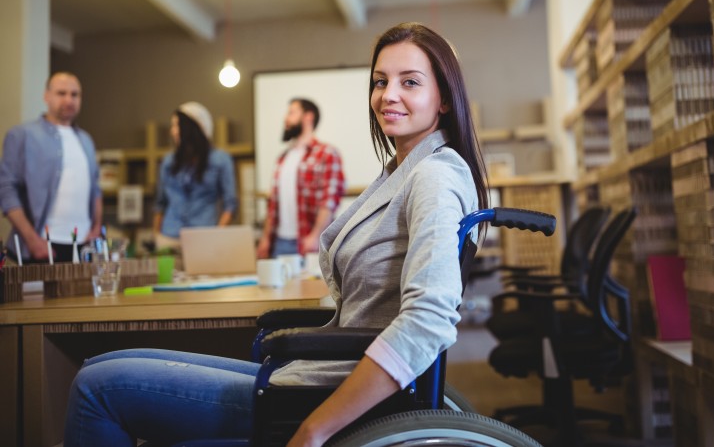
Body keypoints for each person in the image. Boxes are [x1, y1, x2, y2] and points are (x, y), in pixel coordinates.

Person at [63, 22, 489, 447]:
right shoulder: (402, 170)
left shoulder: (434, 175)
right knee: (104, 362)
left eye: (409, 82)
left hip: (334, 396)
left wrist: (315, 429)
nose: (387, 94)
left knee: (95, 386)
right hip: (322, 374)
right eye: (380, 81)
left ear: (445, 99)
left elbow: (429, 318)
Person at [0, 72, 102, 263]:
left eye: (75, 94)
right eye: (61, 93)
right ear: (46, 96)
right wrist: (31, 239)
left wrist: (96, 229)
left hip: (83, 246)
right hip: (41, 246)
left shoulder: (86, 140)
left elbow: (95, 189)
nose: (68, 99)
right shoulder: (22, 135)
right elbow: (6, 189)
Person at [256, 98, 345, 258]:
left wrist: (315, 236)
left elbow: (329, 200)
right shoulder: (283, 158)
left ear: (308, 117)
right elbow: (273, 204)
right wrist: (265, 239)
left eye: (291, 113)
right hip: (280, 243)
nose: (286, 118)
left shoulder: (327, 153)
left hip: (308, 243)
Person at [153, 102, 238, 249]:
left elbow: (230, 204)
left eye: (177, 125)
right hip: (169, 237)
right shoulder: (168, 162)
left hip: (204, 237)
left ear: (195, 127)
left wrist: (218, 234)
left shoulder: (220, 160)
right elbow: (160, 203)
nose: (173, 132)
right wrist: (156, 235)